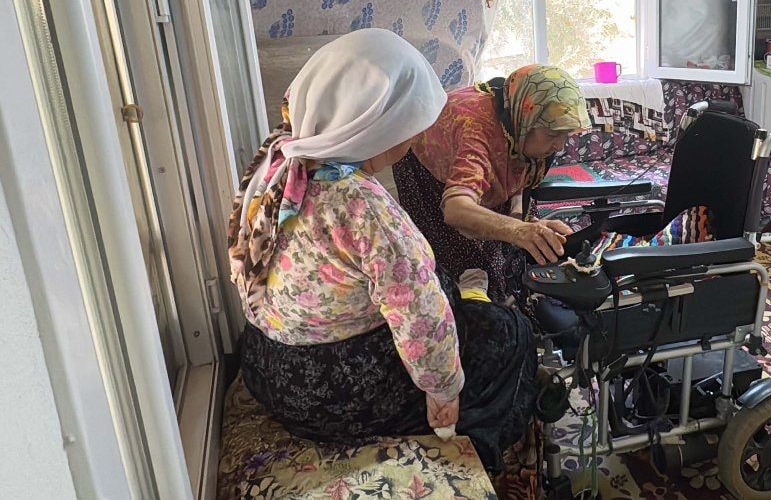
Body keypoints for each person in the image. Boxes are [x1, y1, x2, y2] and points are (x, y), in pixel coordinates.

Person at [226, 28, 537, 477]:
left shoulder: (276, 159)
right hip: (332, 393)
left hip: (266, 363)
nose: (413, 139)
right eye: (408, 126)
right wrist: (443, 391)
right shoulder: (361, 207)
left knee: (439, 285)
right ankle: (478, 452)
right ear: (375, 125)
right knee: (508, 331)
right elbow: (418, 314)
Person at [393, 65, 591, 301]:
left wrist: (526, 222)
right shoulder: (476, 134)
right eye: (552, 135)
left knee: (517, 246)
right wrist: (517, 230)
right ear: (526, 123)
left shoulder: (519, 118)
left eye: (565, 135)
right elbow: (456, 209)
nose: (560, 145)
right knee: (472, 266)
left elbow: (517, 173)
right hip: (428, 171)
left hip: (482, 156)